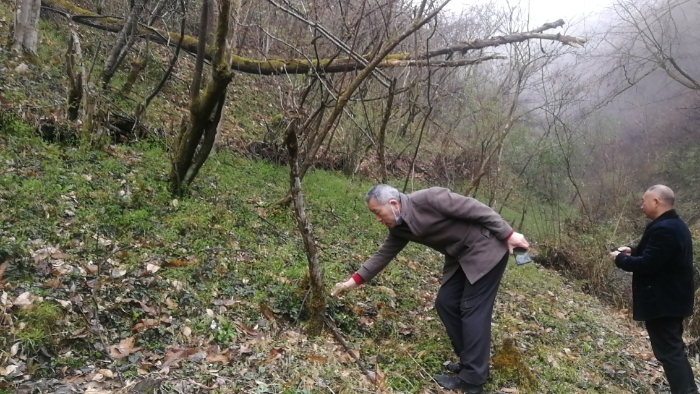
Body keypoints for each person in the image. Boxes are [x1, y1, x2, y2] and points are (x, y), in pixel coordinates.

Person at [332, 184, 530, 394]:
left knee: (473, 309)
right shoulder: (399, 228)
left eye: (377, 213)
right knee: (446, 303)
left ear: (393, 204)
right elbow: (383, 255)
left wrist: (508, 234)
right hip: (461, 256)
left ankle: (473, 380)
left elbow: (477, 208)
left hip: (485, 249)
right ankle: (472, 363)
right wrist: (351, 282)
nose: (378, 220)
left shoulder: (430, 199)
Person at [610, 185, 698, 394]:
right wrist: (634, 251)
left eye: (644, 201)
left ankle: (686, 391)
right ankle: (687, 389)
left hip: (665, 302)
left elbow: (648, 264)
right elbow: (659, 256)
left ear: (656, 202)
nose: (641, 205)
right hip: (673, 300)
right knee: (672, 349)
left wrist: (620, 259)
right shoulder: (675, 225)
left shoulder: (664, 228)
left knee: (669, 352)